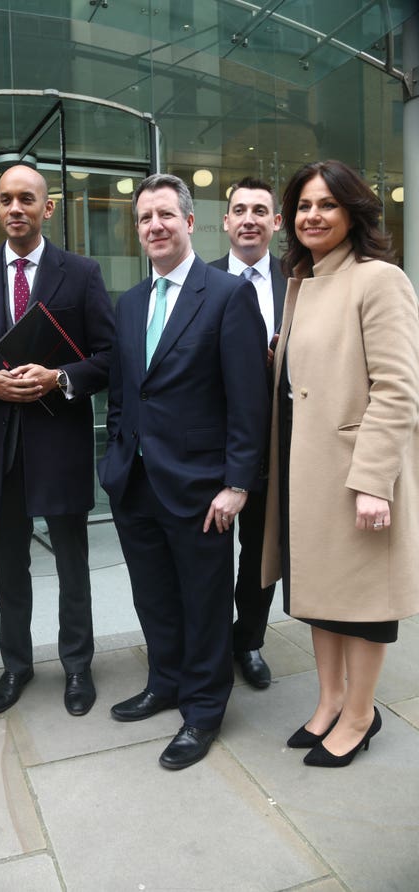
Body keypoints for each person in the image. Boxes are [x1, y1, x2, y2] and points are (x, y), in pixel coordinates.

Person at [99, 174, 269, 769]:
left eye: (165, 215)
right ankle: (164, 681)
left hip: (201, 487)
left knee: (203, 600)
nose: (155, 227)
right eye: (145, 218)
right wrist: (116, 459)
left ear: (190, 222)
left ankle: (202, 709)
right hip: (135, 482)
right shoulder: (129, 303)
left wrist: (237, 484)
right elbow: (123, 394)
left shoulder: (225, 296)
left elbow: (249, 403)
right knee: (154, 596)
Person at [262, 160, 419, 767]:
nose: (312, 216)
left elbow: (399, 389)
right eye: (303, 205)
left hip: (355, 473)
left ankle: (361, 714)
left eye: (326, 204)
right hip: (305, 469)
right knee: (317, 593)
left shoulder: (379, 279)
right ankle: (329, 701)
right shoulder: (303, 281)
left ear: (354, 212)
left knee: (364, 604)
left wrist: (374, 482)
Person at [0, 164, 114, 717]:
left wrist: (62, 377)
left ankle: (77, 666)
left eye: (28, 199)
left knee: (71, 563)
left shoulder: (82, 273)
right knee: (9, 565)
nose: (15, 208)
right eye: (6, 200)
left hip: (59, 439)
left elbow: (109, 357)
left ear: (48, 209)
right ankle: (16, 665)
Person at [210, 176, 286, 690]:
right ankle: (211, 645)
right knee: (210, 552)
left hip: (279, 446)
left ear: (276, 223)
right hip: (213, 446)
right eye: (240, 209)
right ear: (226, 221)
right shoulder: (203, 280)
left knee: (260, 554)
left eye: (261, 210)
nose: (250, 218)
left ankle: (250, 642)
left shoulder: (300, 281)